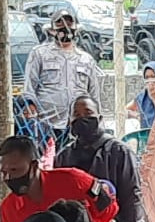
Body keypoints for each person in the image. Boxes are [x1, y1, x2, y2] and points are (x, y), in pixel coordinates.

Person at [0, 134, 121, 222]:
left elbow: (110, 210)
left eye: (15, 170)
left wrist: (82, 221)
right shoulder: (9, 209)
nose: (8, 178)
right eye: (4, 172)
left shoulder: (74, 181)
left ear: (34, 166)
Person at [54, 96, 148, 222]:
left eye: (88, 113)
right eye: (76, 115)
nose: (83, 118)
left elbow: (131, 195)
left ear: (99, 118)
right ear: (70, 121)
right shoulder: (63, 157)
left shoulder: (119, 152)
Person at [24, 9, 101, 146]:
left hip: (77, 124)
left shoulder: (86, 59)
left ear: (76, 29)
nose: (66, 30)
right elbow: (30, 86)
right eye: (60, 25)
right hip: (47, 122)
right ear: (52, 30)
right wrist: (30, 107)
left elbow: (94, 94)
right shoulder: (40, 54)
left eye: (69, 26)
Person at [125, 62, 155, 130]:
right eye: (147, 77)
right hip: (146, 135)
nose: (150, 81)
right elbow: (124, 110)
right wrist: (137, 116)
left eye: (153, 76)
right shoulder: (142, 97)